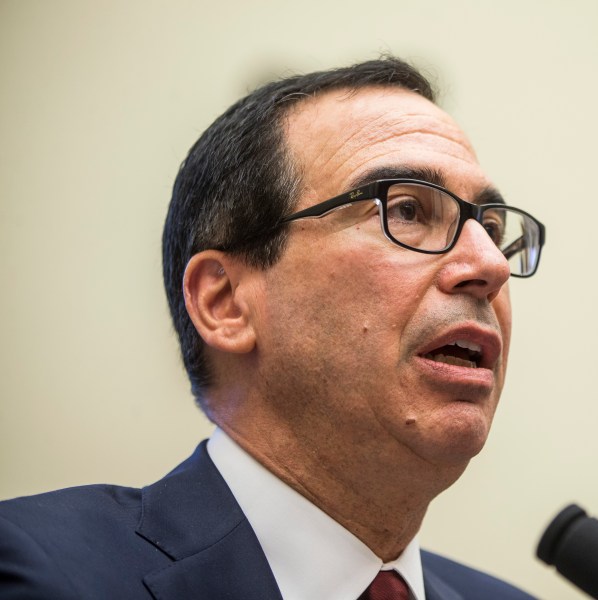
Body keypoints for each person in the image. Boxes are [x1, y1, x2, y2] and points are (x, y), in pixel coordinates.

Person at [0, 57, 545, 599]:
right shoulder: (43, 571)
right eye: (405, 210)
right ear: (226, 303)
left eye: (493, 228)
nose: (491, 265)